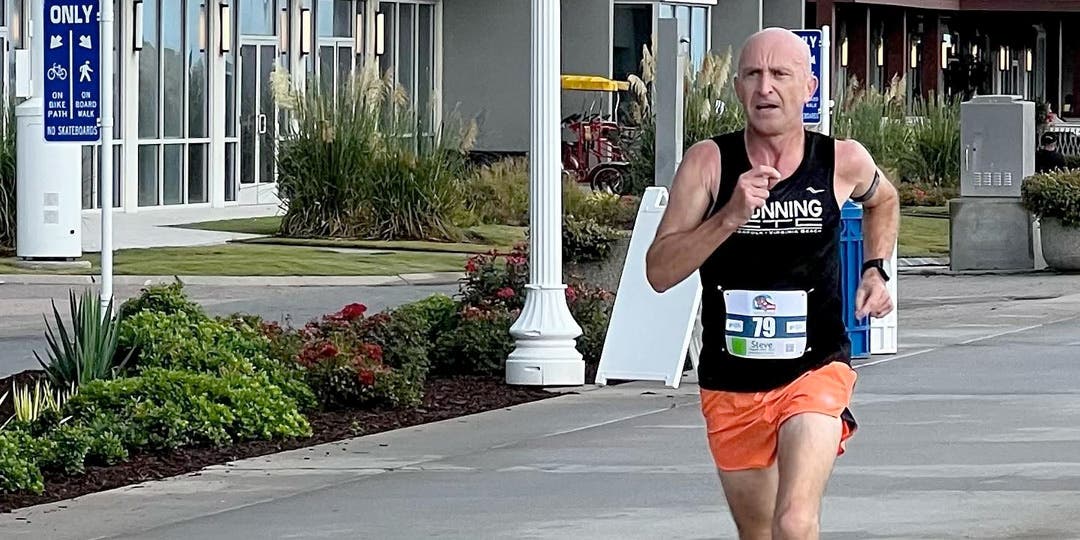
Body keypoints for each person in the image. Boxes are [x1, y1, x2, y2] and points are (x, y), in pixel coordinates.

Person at [645, 28, 899, 539]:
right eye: (754, 75)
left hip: (815, 370)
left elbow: (884, 200)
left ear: (808, 87)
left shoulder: (840, 159)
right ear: (737, 88)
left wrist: (876, 267)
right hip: (731, 381)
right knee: (759, 532)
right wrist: (729, 216)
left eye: (781, 75)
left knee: (794, 521)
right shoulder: (709, 163)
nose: (766, 88)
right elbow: (659, 272)